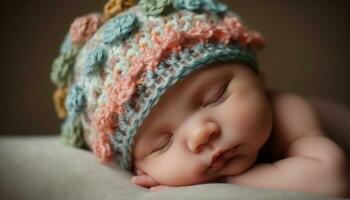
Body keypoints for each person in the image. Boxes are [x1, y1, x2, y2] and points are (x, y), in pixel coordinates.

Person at [50, 0, 349, 197]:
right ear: (141, 170)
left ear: (258, 79)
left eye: (215, 97)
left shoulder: (287, 110)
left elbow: (331, 177)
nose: (201, 134)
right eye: (162, 143)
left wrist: (227, 182)